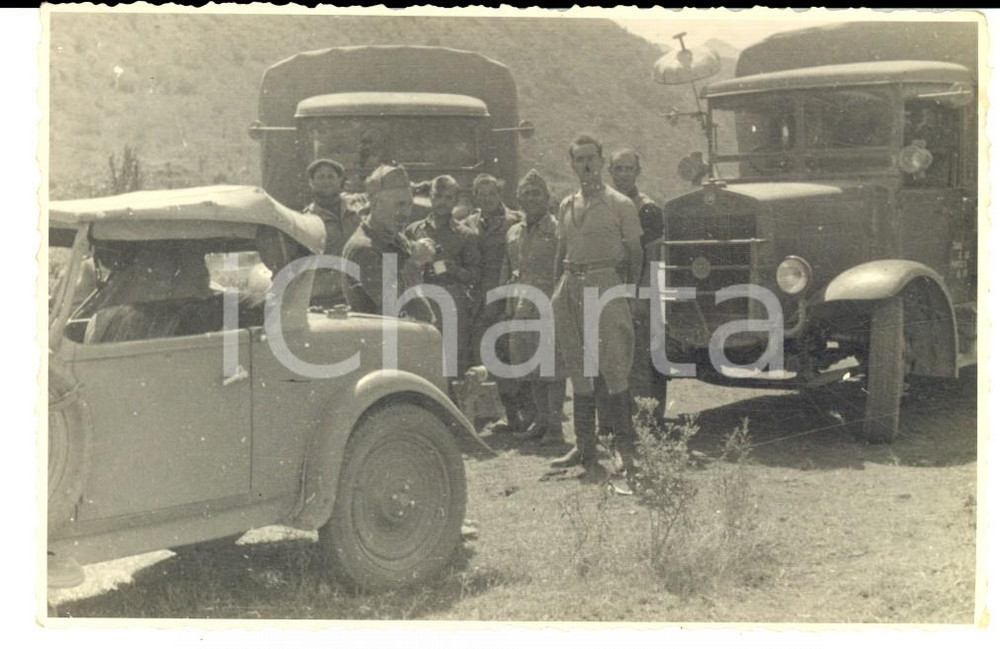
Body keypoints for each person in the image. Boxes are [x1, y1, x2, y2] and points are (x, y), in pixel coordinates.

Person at [550, 136, 643, 485]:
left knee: (614, 368)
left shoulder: (620, 204)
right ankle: (585, 447)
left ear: (601, 161)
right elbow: (561, 251)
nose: (586, 165)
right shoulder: (566, 205)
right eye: (579, 159)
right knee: (579, 369)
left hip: (606, 284)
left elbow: (636, 254)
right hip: (571, 286)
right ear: (572, 164)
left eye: (591, 158)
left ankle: (624, 448)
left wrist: (629, 293)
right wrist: (556, 291)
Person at [502, 169, 567, 447]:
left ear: (547, 196)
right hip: (522, 305)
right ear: (518, 198)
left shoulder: (558, 228)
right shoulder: (514, 232)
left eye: (536, 193)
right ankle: (541, 421)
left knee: (552, 368)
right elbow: (512, 269)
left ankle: (555, 427)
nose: (531, 198)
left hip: (550, 303)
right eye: (526, 194)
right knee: (529, 366)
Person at [605, 148, 670, 425]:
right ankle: (618, 423)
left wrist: (641, 298)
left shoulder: (648, 209)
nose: (622, 174)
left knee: (640, 361)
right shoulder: (606, 205)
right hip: (610, 289)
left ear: (637, 172)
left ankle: (647, 424)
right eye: (617, 169)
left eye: (628, 169)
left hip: (639, 291)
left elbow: (654, 258)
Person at [467, 173, 532, 433]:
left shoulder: (515, 220)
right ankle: (507, 414)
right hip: (481, 298)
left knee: (516, 354)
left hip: (509, 296)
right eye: (481, 194)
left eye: (491, 193)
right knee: (491, 356)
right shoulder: (469, 223)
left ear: (499, 194)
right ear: (475, 196)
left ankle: (528, 414)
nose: (487, 198)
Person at [404, 175, 482, 374]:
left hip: (451, 302)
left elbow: (475, 275)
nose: (442, 202)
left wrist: (452, 268)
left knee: (452, 361)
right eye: (438, 196)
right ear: (430, 196)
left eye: (448, 198)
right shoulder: (414, 230)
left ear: (455, 201)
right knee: (420, 358)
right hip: (420, 299)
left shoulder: (465, 234)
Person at [341, 165, 435, 323]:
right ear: (376, 204)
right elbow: (392, 305)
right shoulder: (364, 249)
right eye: (399, 205)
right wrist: (414, 263)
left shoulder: (394, 238)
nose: (406, 213)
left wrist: (421, 248)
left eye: (409, 205)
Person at [304, 158, 368, 308]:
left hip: (362, 290)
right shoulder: (307, 219)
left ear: (340, 180)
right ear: (311, 182)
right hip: (326, 297)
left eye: (331, 176)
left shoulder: (356, 208)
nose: (326, 181)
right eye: (320, 176)